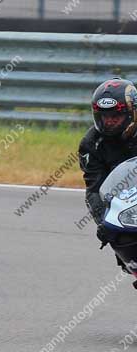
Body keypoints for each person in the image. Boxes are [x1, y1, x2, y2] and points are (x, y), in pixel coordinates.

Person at [80, 77, 137, 267]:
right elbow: (94, 189)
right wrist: (102, 221)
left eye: (116, 116)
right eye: (105, 116)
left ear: (132, 113)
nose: (110, 122)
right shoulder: (91, 144)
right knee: (118, 237)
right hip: (127, 202)